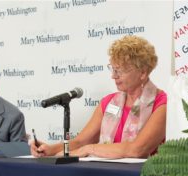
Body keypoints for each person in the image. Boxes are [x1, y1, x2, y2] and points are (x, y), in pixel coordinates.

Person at [31, 35, 167, 158]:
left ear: (142, 73)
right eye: (113, 69)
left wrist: (89, 149)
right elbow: (81, 141)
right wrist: (50, 149)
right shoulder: (109, 102)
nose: (113, 76)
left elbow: (137, 149)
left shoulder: (162, 103)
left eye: (120, 70)